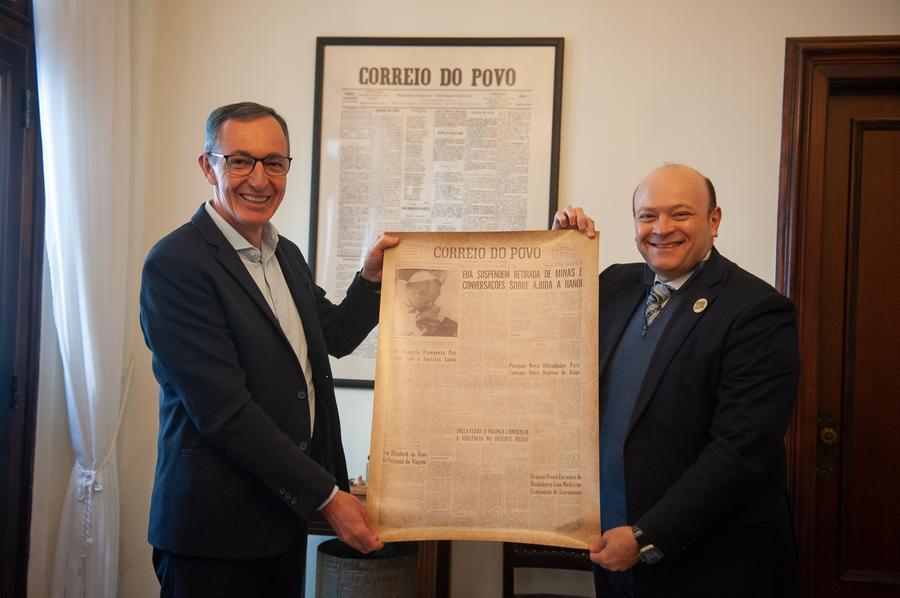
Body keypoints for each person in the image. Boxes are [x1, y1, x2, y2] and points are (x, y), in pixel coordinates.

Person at [139, 101, 398, 596]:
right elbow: (225, 412)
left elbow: (336, 336)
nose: (259, 179)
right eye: (240, 161)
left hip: (280, 523)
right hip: (212, 536)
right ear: (207, 166)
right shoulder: (176, 265)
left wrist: (369, 281)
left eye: (274, 163)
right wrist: (328, 496)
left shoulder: (285, 255)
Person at [553, 164, 799, 597]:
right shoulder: (613, 284)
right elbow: (535, 338)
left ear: (714, 221)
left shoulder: (757, 310)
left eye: (680, 214)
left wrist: (648, 537)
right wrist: (558, 253)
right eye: (647, 216)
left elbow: (740, 451)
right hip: (612, 548)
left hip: (709, 563)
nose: (661, 229)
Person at [393, 268, 458, 337]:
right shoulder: (392, 296)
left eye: (433, 301)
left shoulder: (412, 300)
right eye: (429, 301)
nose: (431, 305)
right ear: (416, 292)